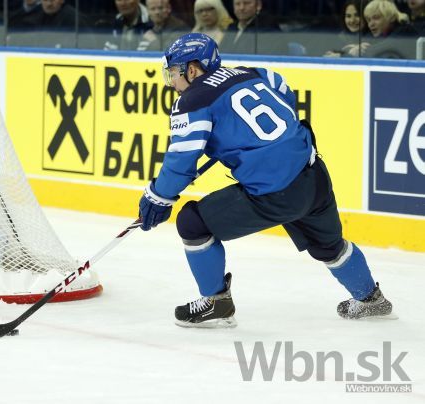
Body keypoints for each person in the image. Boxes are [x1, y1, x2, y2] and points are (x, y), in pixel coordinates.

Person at [137, 33, 393, 328]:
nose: (172, 83)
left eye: (174, 74)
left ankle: (215, 301)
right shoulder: (254, 73)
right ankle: (371, 299)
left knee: (192, 223)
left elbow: (181, 161)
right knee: (328, 245)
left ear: (192, 69)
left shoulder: (191, 101)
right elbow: (284, 93)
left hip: (274, 192)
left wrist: (158, 196)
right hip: (313, 174)